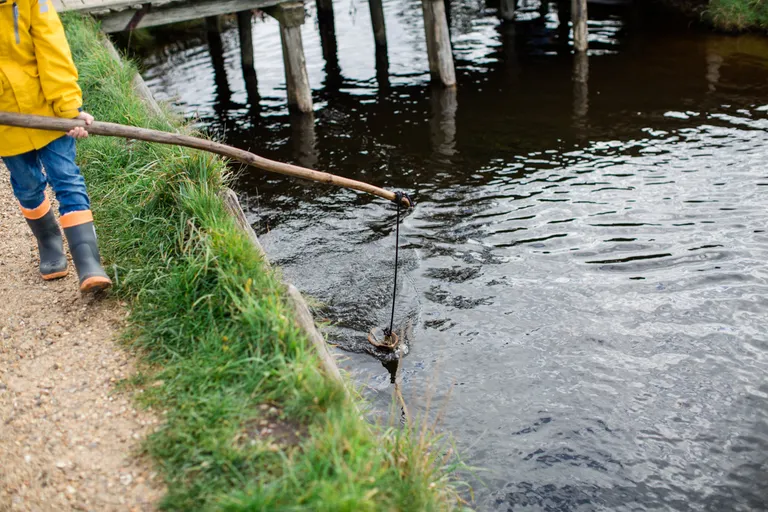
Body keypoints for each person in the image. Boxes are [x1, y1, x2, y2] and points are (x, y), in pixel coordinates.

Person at [1, 0, 111, 293]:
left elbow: (53, 50)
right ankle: (48, 240)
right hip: (5, 125)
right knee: (27, 186)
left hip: (47, 111)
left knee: (66, 178)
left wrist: (68, 109)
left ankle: (88, 261)